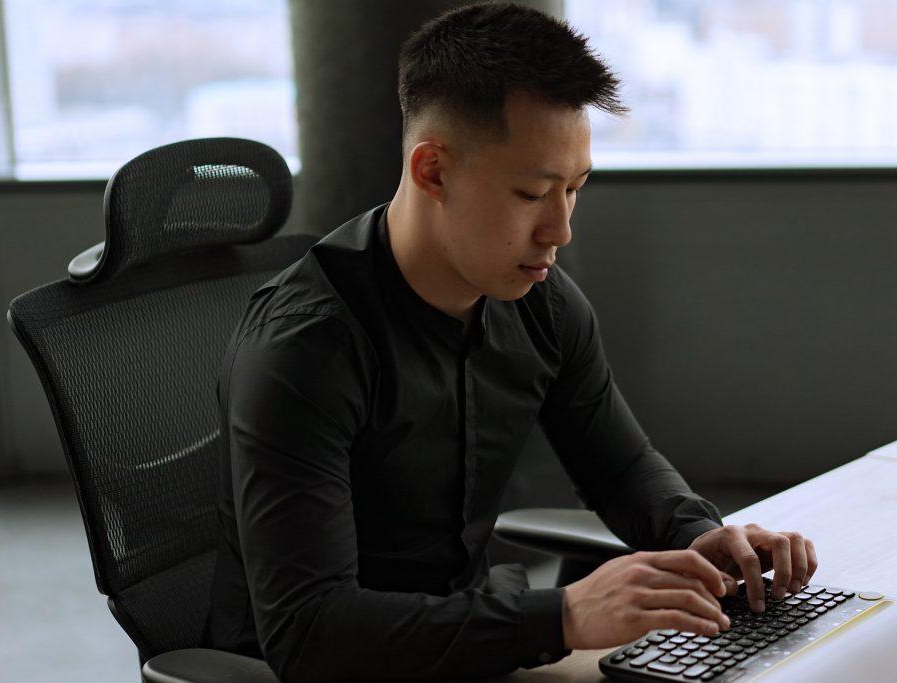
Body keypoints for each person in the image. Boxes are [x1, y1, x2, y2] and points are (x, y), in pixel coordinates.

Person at [204, 3, 817, 681]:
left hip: (475, 646)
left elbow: (619, 466)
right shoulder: (306, 349)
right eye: (533, 193)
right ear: (433, 170)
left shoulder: (542, 302)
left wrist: (703, 538)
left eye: (575, 189)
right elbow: (310, 633)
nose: (560, 230)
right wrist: (560, 617)